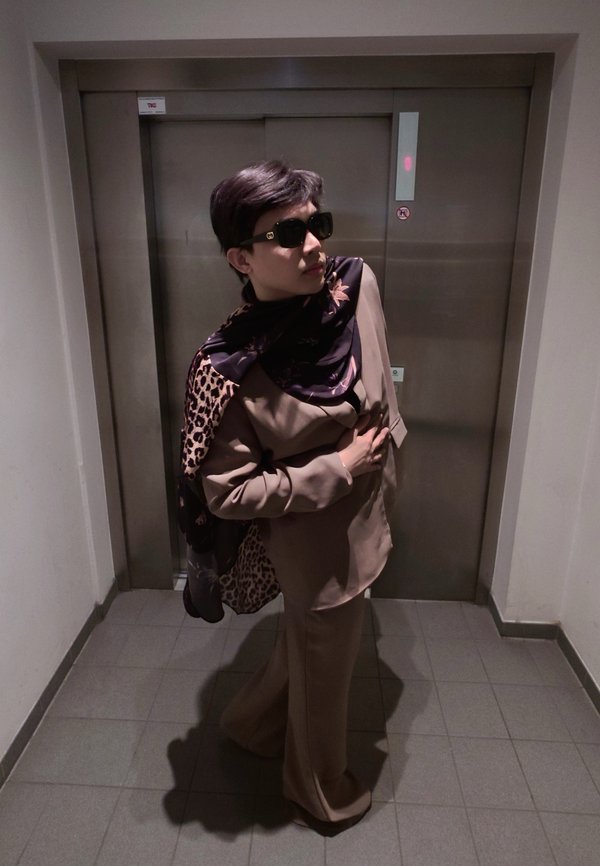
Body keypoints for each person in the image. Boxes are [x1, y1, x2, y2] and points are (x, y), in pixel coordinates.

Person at [179, 160, 406, 833]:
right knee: (324, 671)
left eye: (317, 226)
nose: (313, 246)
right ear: (240, 259)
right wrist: (338, 465)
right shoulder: (230, 371)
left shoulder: (356, 286)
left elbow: (379, 375)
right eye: (287, 235)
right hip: (315, 545)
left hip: (370, 512)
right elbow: (228, 493)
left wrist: (386, 445)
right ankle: (319, 793)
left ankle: (250, 723)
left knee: (307, 650)